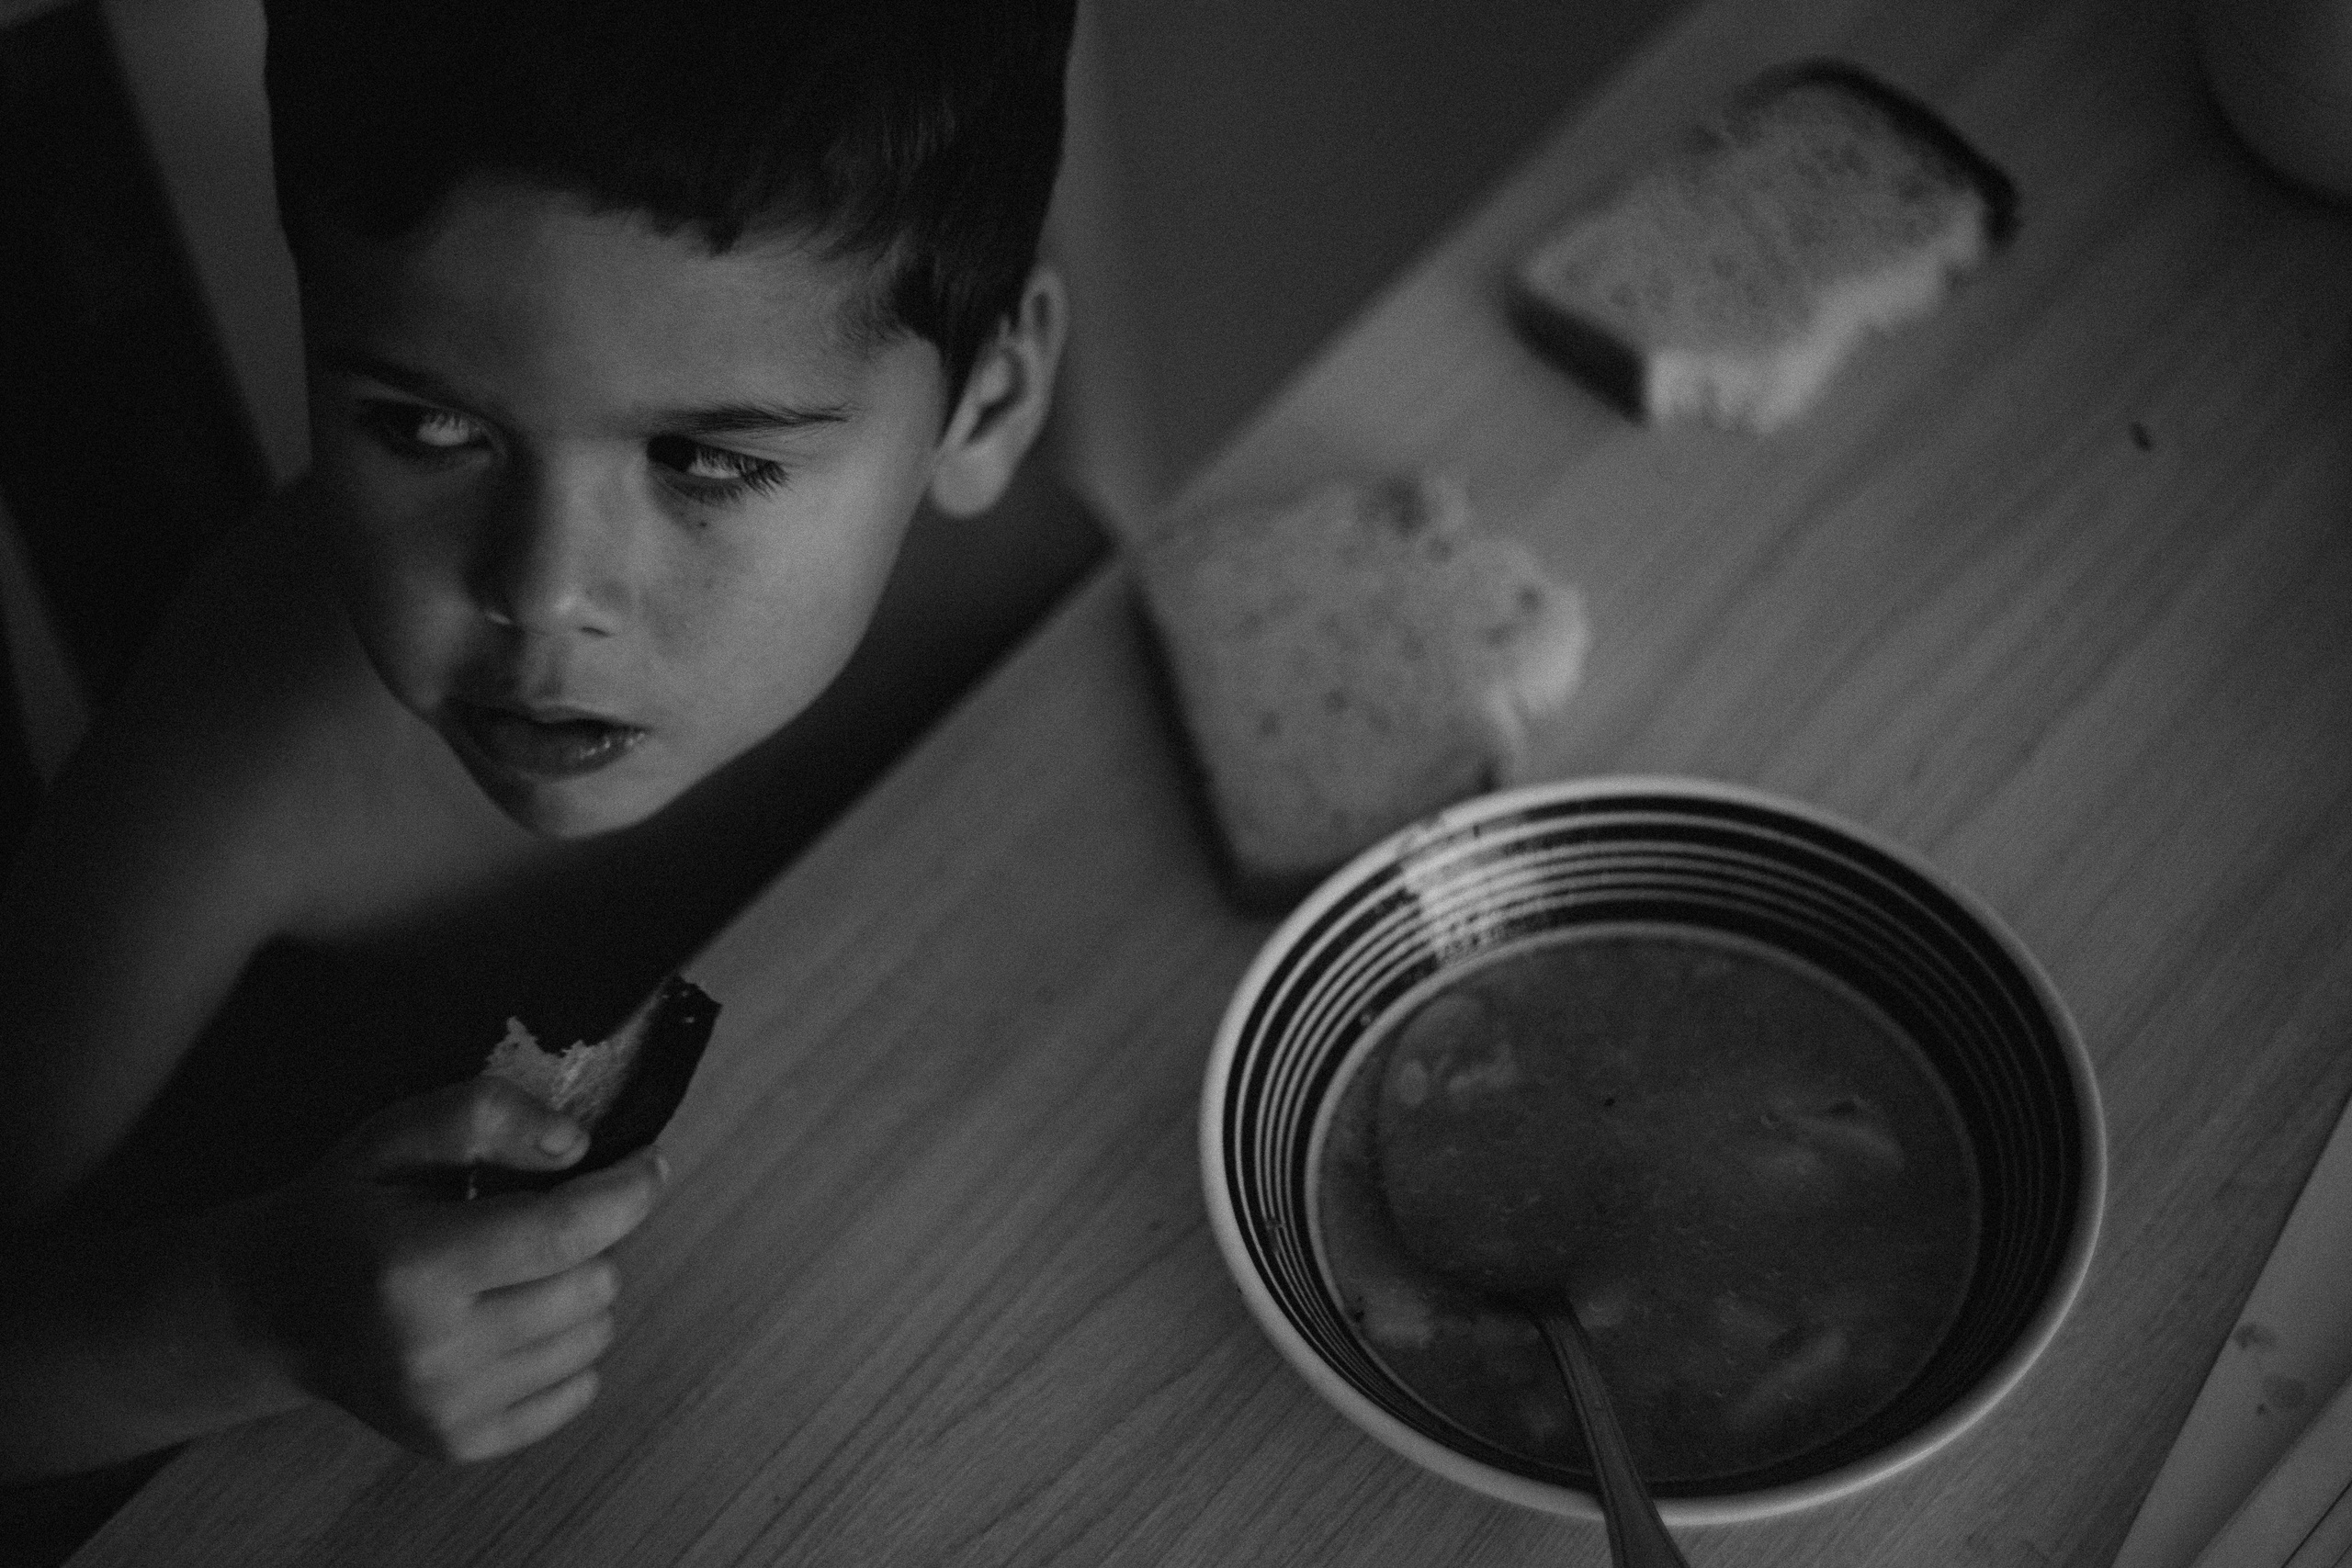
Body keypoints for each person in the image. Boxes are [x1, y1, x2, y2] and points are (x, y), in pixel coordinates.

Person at [0, 0, 1076, 1540]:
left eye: (705, 462)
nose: (545, 592)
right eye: (424, 425)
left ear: (990, 403)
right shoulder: (251, 751)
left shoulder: (1022, 587)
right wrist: (248, 1313)